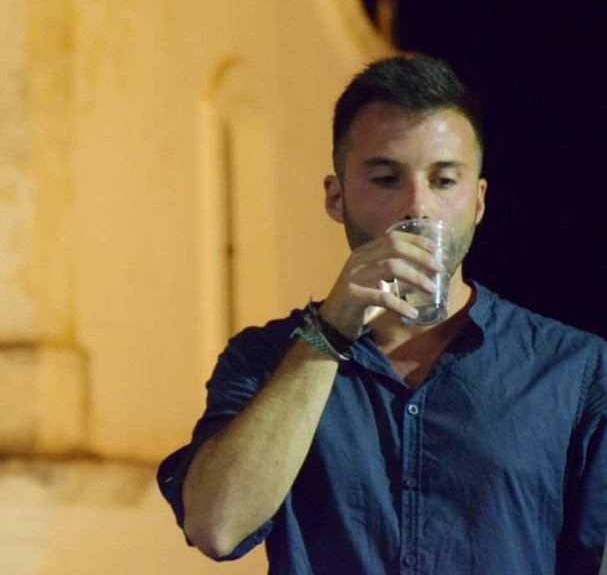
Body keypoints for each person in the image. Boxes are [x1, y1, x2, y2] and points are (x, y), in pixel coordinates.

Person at [158, 55, 607, 574]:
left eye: (444, 181)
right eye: (387, 179)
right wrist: (330, 330)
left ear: (479, 201)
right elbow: (217, 527)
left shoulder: (572, 368)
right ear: (336, 197)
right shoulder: (265, 359)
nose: (418, 207)